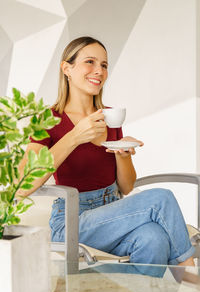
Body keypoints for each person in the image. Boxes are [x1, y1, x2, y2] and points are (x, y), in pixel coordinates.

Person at [18, 36, 195, 272]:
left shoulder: (110, 116)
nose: (99, 71)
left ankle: (113, 290)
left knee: (154, 239)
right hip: (72, 220)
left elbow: (126, 187)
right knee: (161, 198)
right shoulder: (47, 119)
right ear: (67, 68)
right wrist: (74, 136)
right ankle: (191, 277)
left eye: (104, 65)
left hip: (113, 209)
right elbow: (22, 184)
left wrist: (123, 154)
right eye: (90, 62)